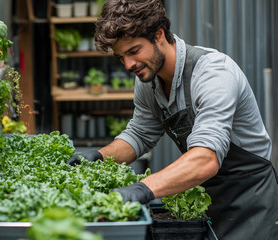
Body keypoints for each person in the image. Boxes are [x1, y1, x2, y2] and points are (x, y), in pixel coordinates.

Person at [66, 0, 278, 239]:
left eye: (134, 51)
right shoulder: (148, 79)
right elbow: (139, 134)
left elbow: (206, 159)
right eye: (120, 56)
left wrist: (143, 189)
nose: (128, 64)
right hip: (205, 195)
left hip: (249, 199)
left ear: (159, 35)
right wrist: (99, 157)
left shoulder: (213, 73)